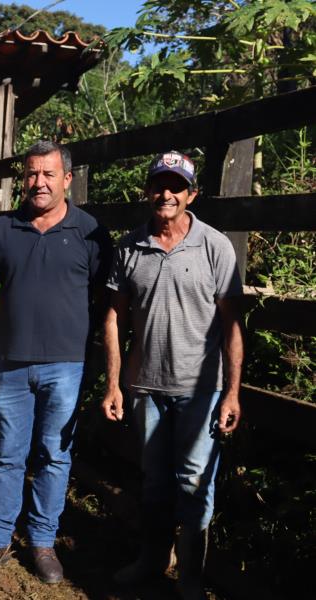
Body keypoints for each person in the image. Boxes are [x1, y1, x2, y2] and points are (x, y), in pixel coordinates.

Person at [0, 140, 112, 583]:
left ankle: (43, 541)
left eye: (48, 174)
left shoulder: (90, 234)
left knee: (54, 454)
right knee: (7, 454)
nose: (38, 182)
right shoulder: (1, 230)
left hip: (66, 365)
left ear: (67, 179)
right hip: (10, 363)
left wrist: (106, 367)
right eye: (31, 174)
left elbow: (108, 304)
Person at [101, 151, 243, 600]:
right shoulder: (129, 247)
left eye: (176, 186)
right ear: (147, 191)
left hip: (202, 390)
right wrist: (113, 383)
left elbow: (233, 325)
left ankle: (191, 577)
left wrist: (233, 393)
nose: (166, 193)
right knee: (155, 480)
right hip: (146, 386)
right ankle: (153, 558)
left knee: (195, 482)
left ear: (191, 194)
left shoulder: (215, 246)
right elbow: (112, 319)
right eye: (159, 184)